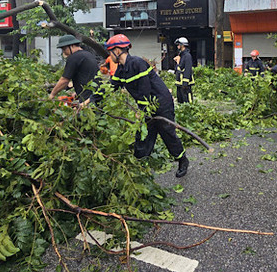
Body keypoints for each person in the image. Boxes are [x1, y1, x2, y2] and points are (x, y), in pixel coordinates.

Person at [105, 34, 189, 177]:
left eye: (110, 51)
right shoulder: (121, 70)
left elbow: (144, 89)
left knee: (167, 134)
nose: (109, 55)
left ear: (117, 51)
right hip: (146, 108)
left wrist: (142, 111)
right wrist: (91, 99)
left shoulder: (137, 63)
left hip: (161, 103)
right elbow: (110, 87)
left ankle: (182, 160)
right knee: (143, 136)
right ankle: (140, 166)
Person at [49, 35, 99, 103]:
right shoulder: (88, 54)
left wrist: (52, 94)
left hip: (86, 98)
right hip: (95, 95)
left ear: (72, 46)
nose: (64, 53)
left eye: (64, 49)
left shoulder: (74, 57)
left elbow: (64, 80)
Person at [173, 37, 194, 103]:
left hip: (185, 83)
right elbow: (178, 68)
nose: (177, 46)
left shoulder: (187, 56)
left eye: (179, 44)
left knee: (187, 100)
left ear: (182, 45)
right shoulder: (181, 55)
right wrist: (177, 62)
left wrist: (185, 83)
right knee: (180, 100)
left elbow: (188, 69)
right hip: (179, 82)